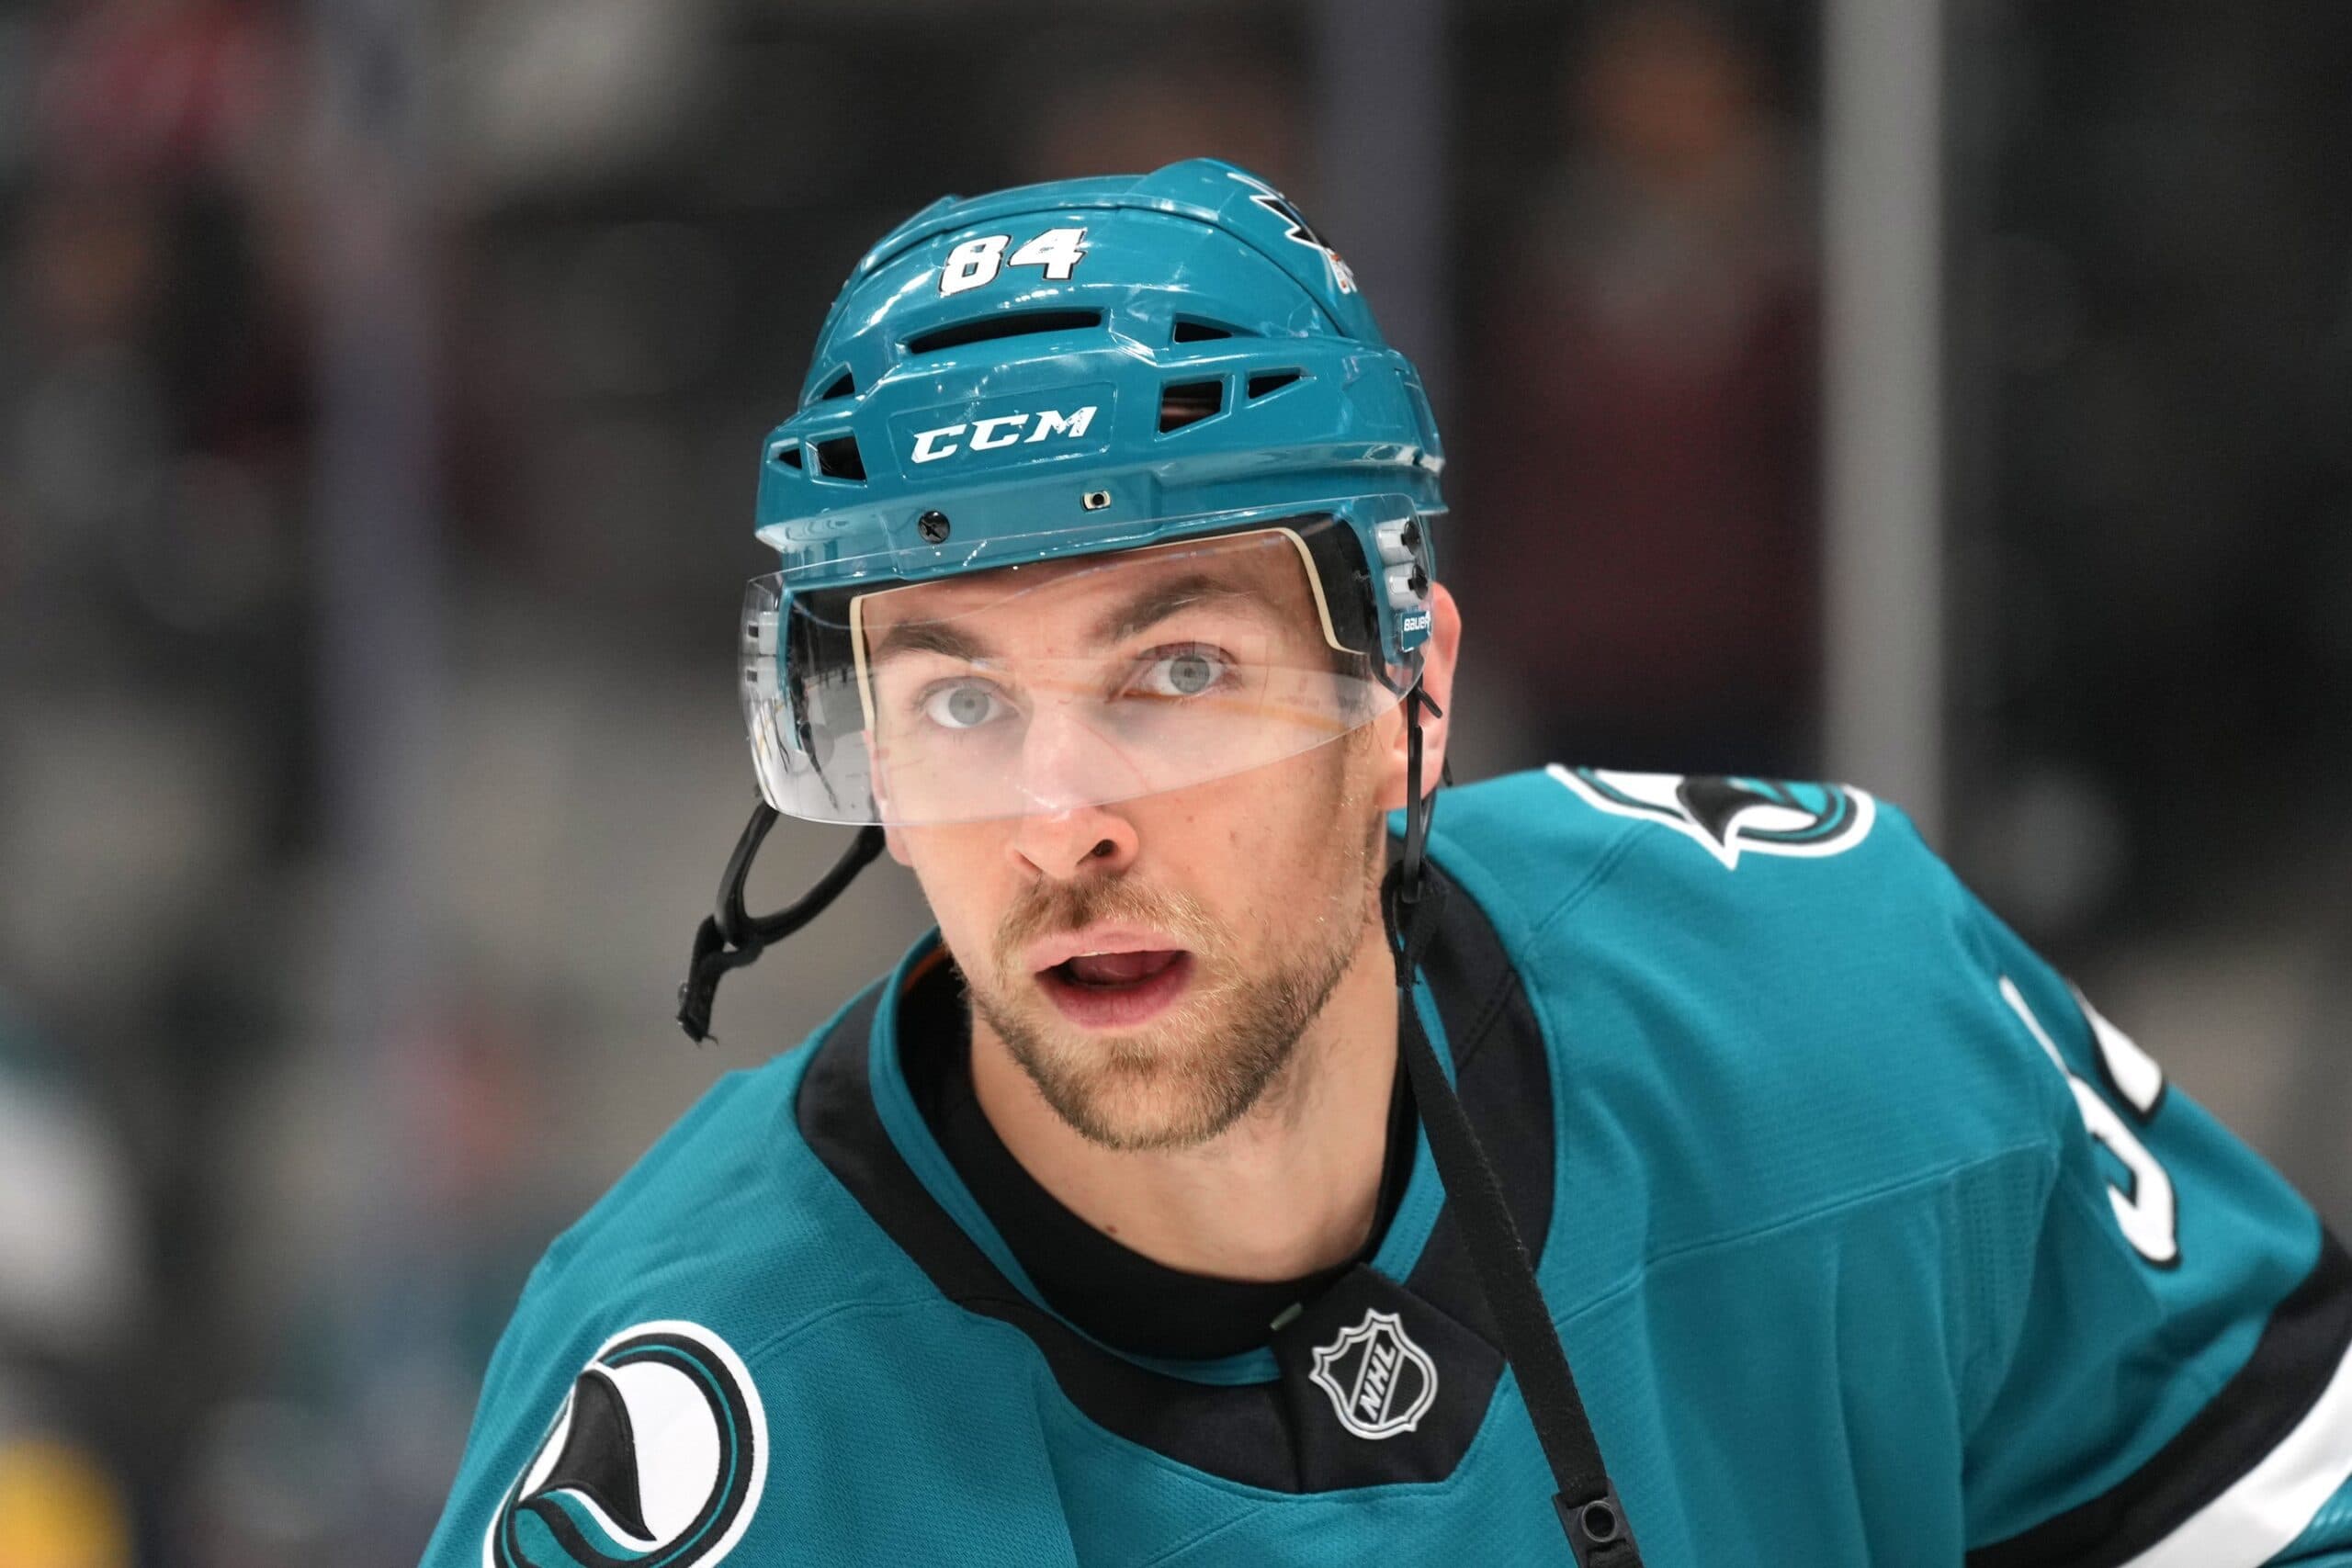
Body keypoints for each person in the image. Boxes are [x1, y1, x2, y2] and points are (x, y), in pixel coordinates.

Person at [424, 160, 2352, 1566]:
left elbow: (2277, 1502)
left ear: (1405, 685)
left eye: (1173, 671)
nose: (1059, 817)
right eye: (955, 701)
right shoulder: (693, 1414)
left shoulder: (1823, 1011)